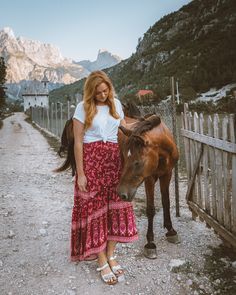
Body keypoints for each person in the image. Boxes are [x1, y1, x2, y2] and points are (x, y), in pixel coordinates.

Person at [71, 70, 138, 285]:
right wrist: (81, 173)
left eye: (105, 90)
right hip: (92, 162)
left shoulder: (116, 104)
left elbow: (123, 129)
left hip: (113, 162)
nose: (102, 95)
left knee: (115, 207)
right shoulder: (82, 108)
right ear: (91, 92)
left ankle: (110, 254)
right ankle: (100, 259)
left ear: (109, 88)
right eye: (98, 92)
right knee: (96, 210)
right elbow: (78, 142)